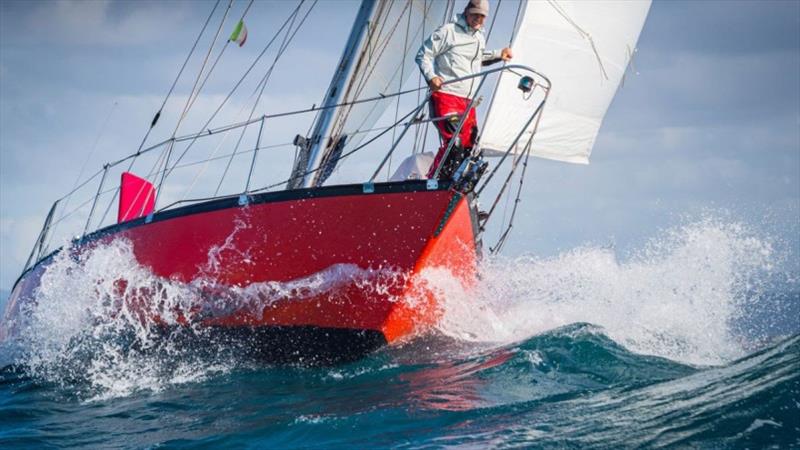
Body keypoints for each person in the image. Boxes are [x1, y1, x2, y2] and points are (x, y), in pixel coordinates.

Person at [415, 0, 512, 180]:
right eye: (475, 14)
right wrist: (431, 77)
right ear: (467, 12)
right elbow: (423, 55)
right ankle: (433, 183)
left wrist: (499, 55)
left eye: (482, 16)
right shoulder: (448, 31)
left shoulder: (478, 37)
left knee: (470, 147)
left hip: (468, 102)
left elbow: (476, 58)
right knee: (455, 143)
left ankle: (453, 187)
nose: (478, 19)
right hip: (446, 96)